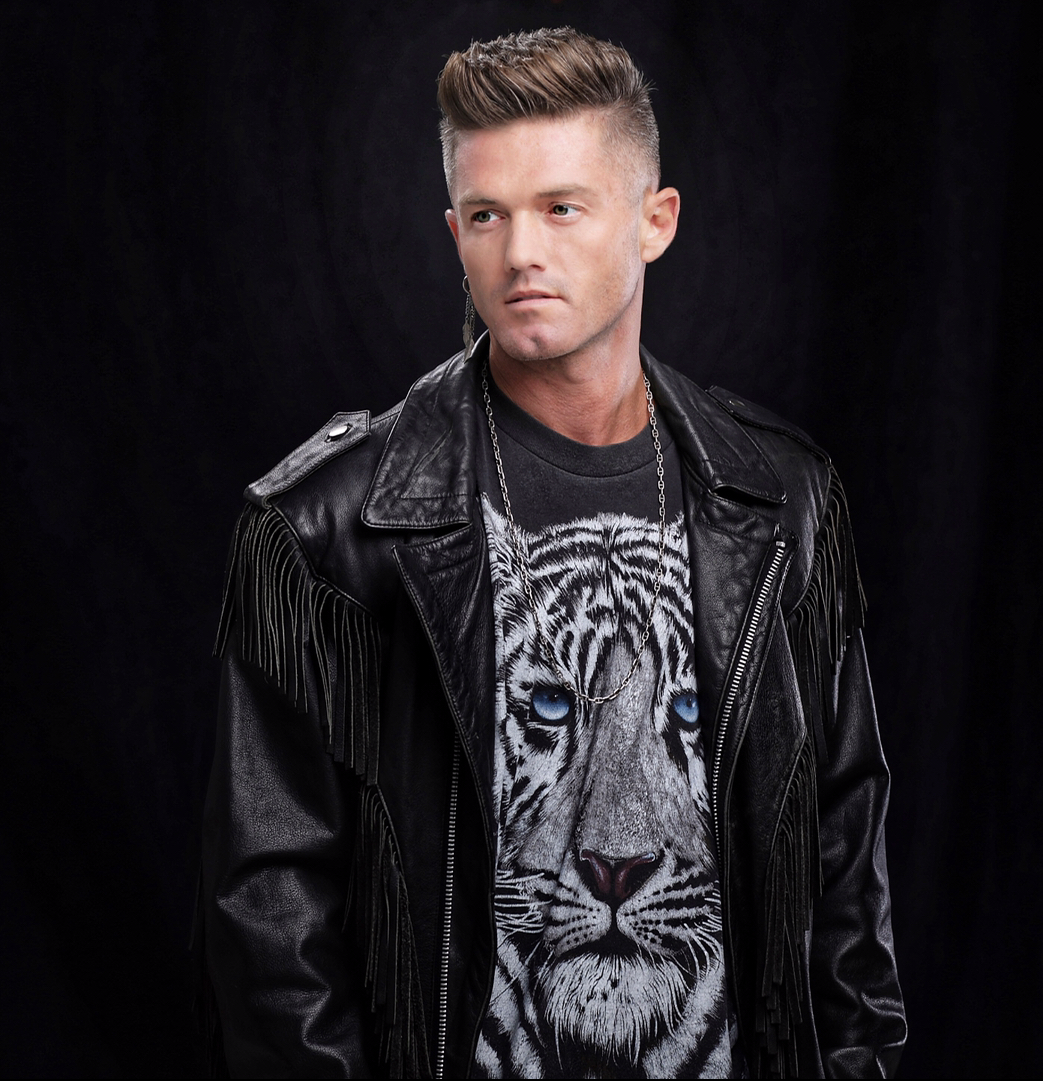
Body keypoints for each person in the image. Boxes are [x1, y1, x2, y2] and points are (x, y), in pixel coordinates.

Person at [201, 27, 906, 1079]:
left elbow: (844, 855)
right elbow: (270, 921)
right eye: (488, 215)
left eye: (562, 208)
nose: (520, 253)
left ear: (655, 221)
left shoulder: (782, 502)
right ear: (454, 230)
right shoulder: (325, 531)